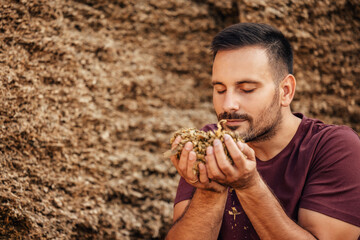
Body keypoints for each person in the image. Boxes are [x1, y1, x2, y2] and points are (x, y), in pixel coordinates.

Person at [166, 23, 360, 240]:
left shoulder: (333, 147)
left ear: (285, 91)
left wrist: (249, 186)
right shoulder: (210, 145)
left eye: (246, 89)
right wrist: (210, 190)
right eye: (220, 89)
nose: (228, 104)